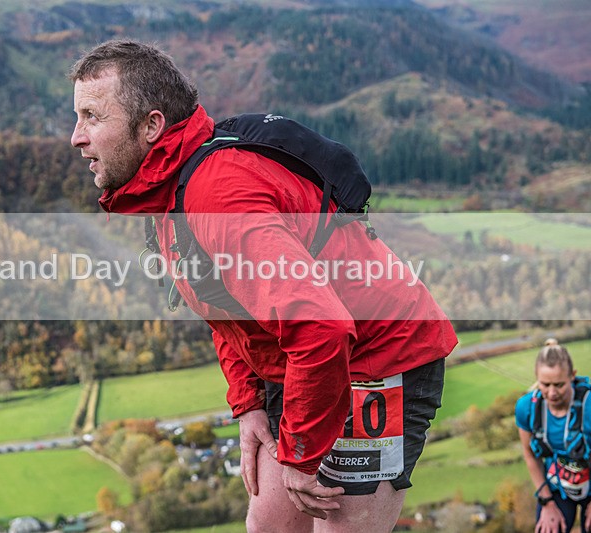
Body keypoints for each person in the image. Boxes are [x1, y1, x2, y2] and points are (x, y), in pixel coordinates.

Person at [69, 39, 457, 532]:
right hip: (299, 364)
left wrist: (300, 456)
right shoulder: (170, 190)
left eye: (92, 117)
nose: (76, 137)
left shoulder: (218, 196)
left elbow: (320, 327)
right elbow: (227, 308)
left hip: (378, 356)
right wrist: (248, 403)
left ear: (151, 126)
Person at [516, 340, 591, 533]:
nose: (552, 393)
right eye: (545, 384)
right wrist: (546, 502)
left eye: (559, 385)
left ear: (572, 376)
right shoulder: (527, 408)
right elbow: (529, 454)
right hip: (557, 485)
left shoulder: (589, 406)